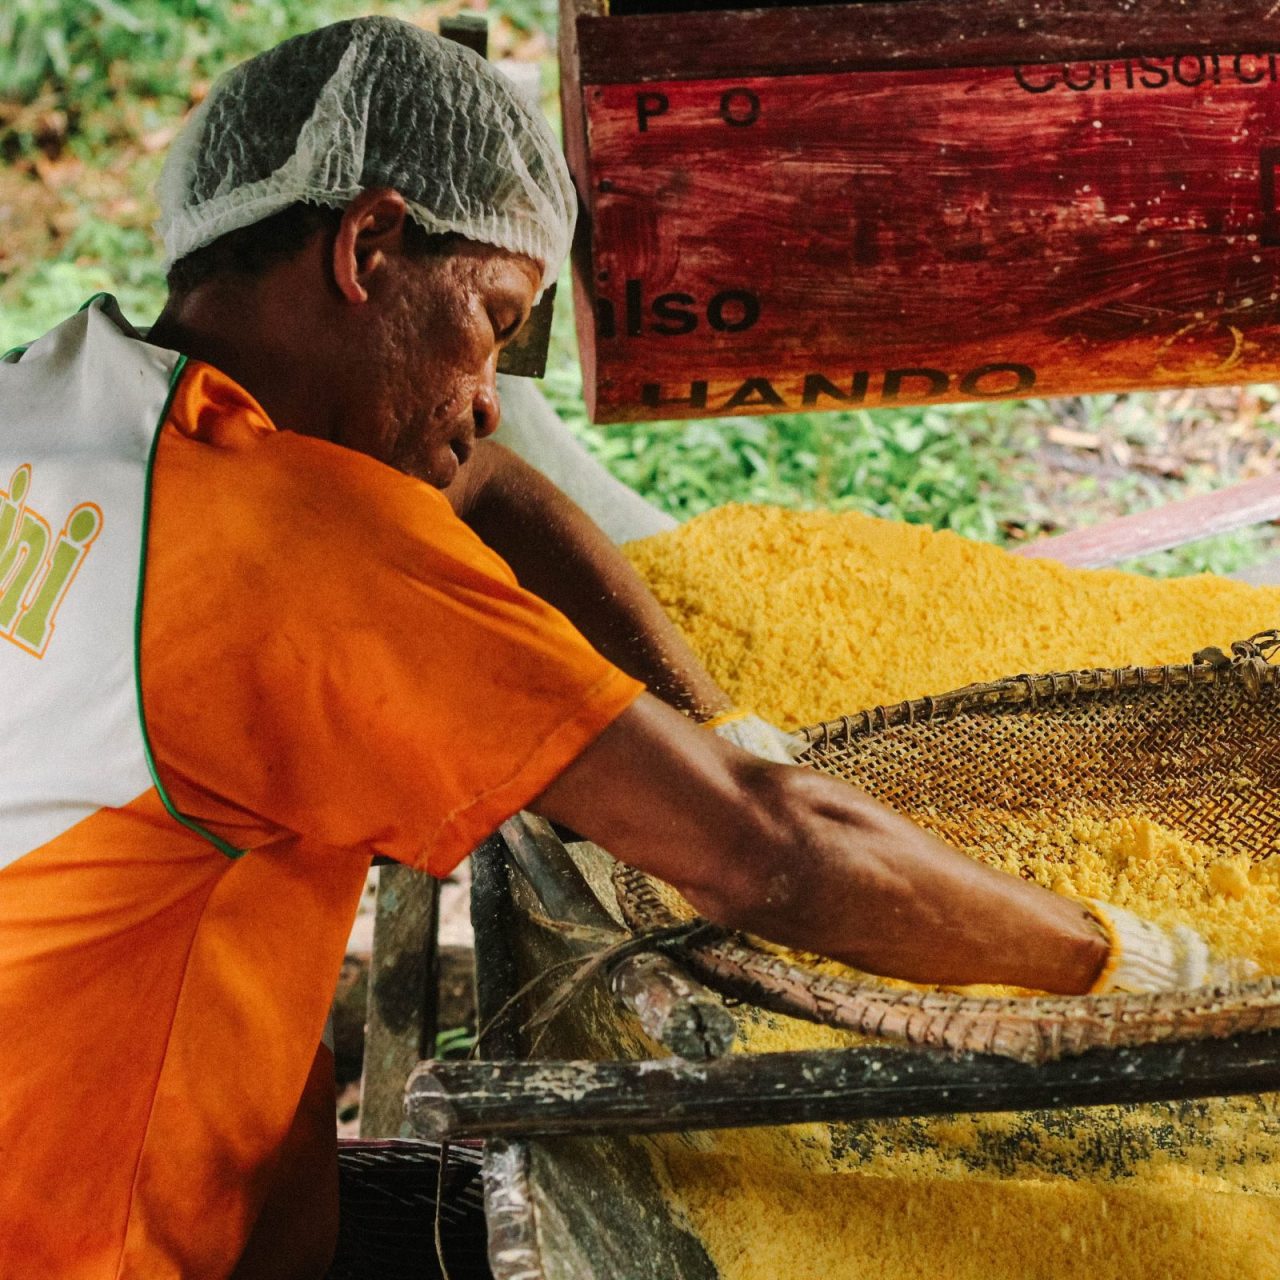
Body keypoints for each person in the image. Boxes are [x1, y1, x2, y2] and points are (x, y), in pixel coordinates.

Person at [0, 18, 1249, 1280]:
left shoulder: (58, 399)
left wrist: (707, 718)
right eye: (493, 321)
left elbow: (475, 480)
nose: (485, 399)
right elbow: (768, 851)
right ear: (368, 245)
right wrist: (1137, 962)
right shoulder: (300, 546)